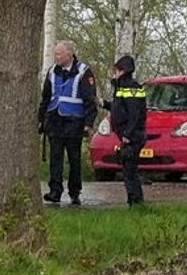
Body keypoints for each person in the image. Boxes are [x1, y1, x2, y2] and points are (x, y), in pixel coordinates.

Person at [37, 40, 99, 205]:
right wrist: (40, 119)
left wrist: (89, 123)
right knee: (55, 158)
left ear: (69, 54)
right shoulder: (52, 71)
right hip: (55, 120)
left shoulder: (84, 71)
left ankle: (74, 191)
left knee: (74, 158)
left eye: (58, 54)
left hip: (74, 121)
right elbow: (45, 98)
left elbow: (90, 99)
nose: (55, 57)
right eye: (55, 53)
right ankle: (55, 191)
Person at [107, 54, 149, 207]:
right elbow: (119, 108)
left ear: (122, 71)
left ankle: (136, 202)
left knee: (130, 172)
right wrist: (104, 104)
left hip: (133, 136)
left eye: (116, 70)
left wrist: (127, 134)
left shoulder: (131, 87)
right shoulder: (122, 87)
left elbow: (134, 113)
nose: (114, 74)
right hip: (130, 134)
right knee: (128, 171)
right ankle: (133, 201)